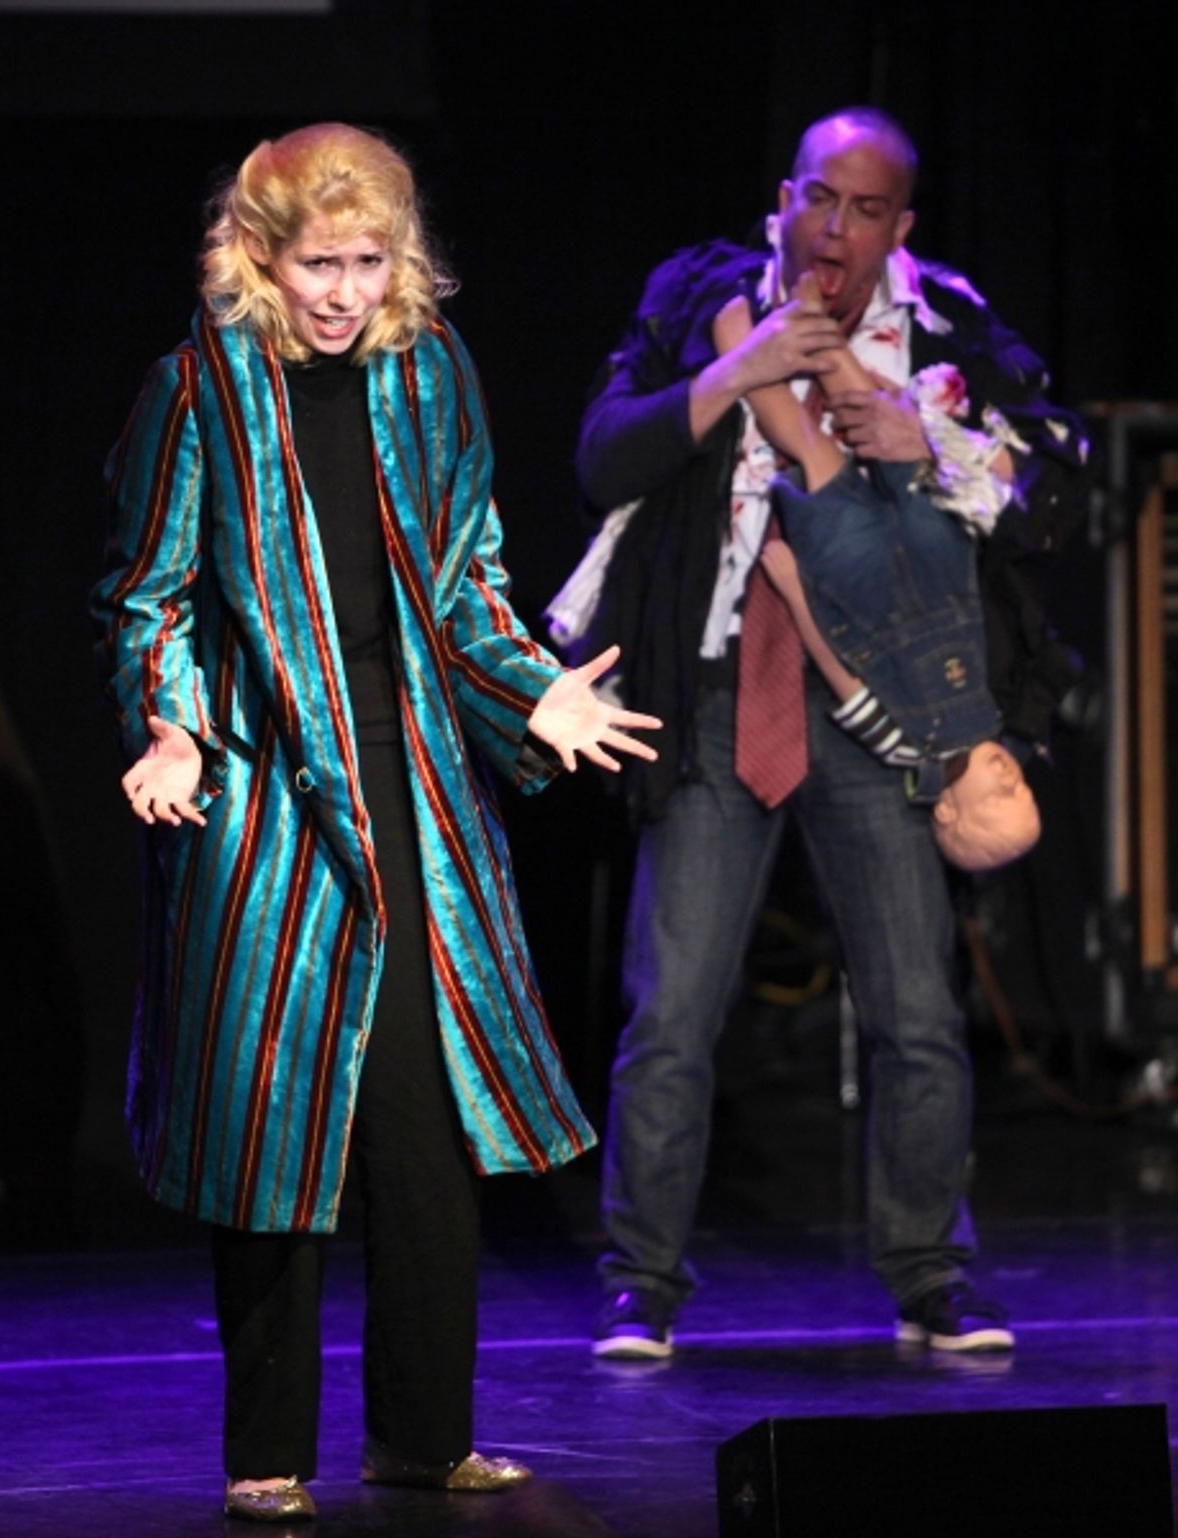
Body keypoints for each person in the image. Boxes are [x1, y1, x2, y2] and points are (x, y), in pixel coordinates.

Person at [91, 122, 659, 1522]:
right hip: (267, 802)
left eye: (365, 262)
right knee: (273, 1126)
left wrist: (533, 693)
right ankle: (266, 1449)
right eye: (314, 265)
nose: (340, 294)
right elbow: (146, 594)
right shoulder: (196, 396)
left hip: (412, 792)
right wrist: (169, 724)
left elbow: (465, 584)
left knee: (422, 1120)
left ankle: (424, 1431)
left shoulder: (432, 377)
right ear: (259, 259)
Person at [573, 106, 1089, 1360]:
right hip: (717, 688)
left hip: (879, 707)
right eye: (821, 201)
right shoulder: (705, 295)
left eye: (867, 212)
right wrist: (725, 379)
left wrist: (938, 440)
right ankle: (640, 1280)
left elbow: (1063, 482)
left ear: (898, 226)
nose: (838, 232)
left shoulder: (945, 327)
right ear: (785, 201)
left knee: (916, 1004)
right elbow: (602, 457)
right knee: (673, 1009)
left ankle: (933, 1275)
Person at [711, 284, 1041, 873]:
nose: (1012, 778)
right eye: (1025, 790)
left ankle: (739, 348)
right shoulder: (999, 708)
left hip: (858, 579)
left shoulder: (906, 746)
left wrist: (794, 593)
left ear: (948, 812)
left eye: (1000, 797)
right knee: (888, 437)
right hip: (937, 558)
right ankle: (817, 328)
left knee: (810, 447)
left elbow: (842, 676)